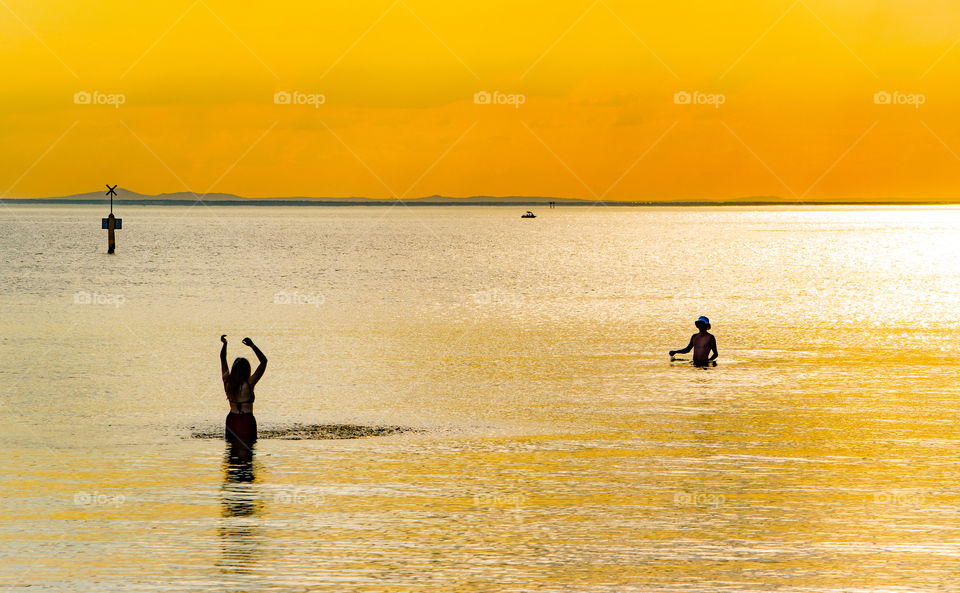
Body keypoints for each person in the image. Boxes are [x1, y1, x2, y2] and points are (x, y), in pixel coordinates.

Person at [220, 335, 267, 445]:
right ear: (247, 370)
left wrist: (224, 344)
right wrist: (252, 346)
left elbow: (222, 359)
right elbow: (264, 362)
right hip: (247, 421)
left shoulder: (227, 382)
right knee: (248, 450)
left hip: (232, 420)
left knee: (231, 451)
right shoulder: (249, 383)